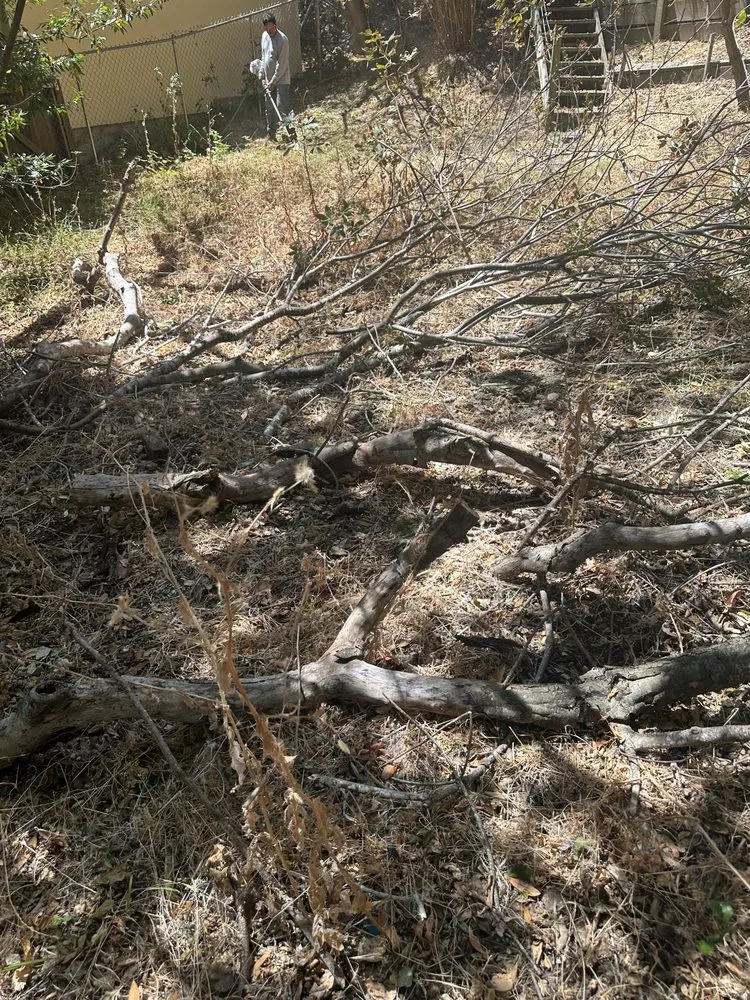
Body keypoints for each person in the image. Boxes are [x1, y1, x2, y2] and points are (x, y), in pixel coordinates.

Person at [260, 12, 291, 141]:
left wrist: (273, 81)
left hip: (282, 79)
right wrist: (262, 73)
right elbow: (263, 56)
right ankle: (271, 134)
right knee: (269, 108)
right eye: (267, 28)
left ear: (276, 25)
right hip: (268, 79)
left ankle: (291, 134)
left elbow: (282, 64)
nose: (270, 31)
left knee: (281, 106)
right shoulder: (264, 36)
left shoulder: (282, 39)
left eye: (272, 28)